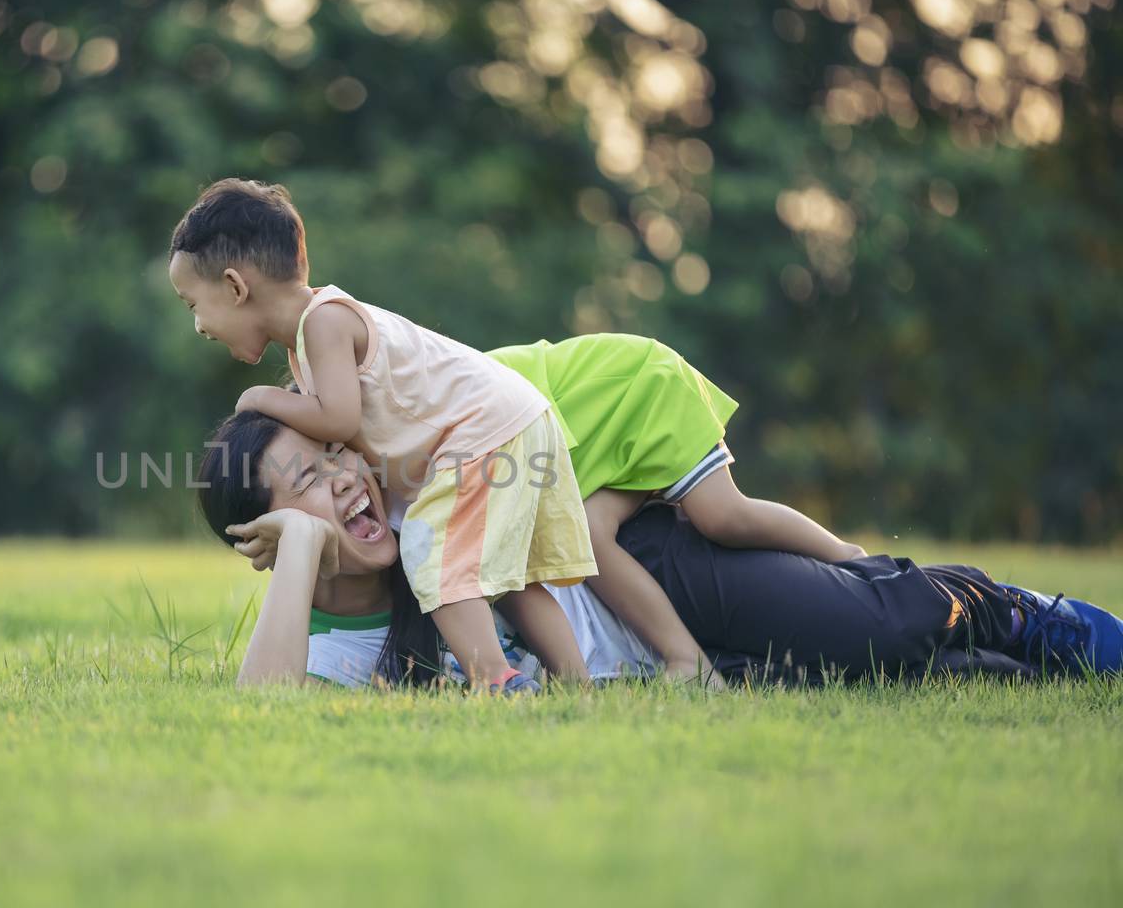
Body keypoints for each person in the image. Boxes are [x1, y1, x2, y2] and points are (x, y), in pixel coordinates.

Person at [196, 409, 1123, 690]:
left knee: (883, 625)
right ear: (268, 534)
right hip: (669, 681)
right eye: (307, 481)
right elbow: (266, 716)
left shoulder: (417, 490)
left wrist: (324, 506)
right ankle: (1022, 653)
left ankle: (1024, 608)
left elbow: (547, 446)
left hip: (664, 574)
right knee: (941, 678)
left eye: (333, 454)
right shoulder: (326, 651)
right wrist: (307, 549)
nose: (345, 478)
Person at [168, 178, 596, 695]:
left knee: (428, 548)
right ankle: (578, 686)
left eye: (193, 305)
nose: (198, 325)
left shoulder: (322, 322)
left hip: (485, 430)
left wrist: (259, 398)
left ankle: (492, 679)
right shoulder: (308, 344)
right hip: (509, 420)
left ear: (236, 288)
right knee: (513, 578)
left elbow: (340, 424)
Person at [486, 333, 868, 687]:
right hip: (597, 446)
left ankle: (844, 554)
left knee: (722, 515)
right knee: (589, 531)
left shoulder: (461, 394)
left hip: (638, 392)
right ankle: (689, 661)